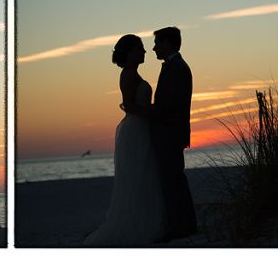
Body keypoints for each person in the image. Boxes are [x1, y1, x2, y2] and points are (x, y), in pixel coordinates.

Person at [83, 34, 166, 246]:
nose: (144, 52)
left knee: (144, 176)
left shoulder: (133, 74)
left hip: (140, 128)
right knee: (138, 176)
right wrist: (155, 112)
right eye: (139, 49)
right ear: (129, 53)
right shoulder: (128, 75)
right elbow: (129, 106)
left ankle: (147, 222)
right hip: (136, 130)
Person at [150, 26, 198, 241]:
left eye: (157, 43)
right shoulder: (173, 66)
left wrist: (143, 111)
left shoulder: (177, 68)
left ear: (167, 43)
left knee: (172, 181)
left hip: (170, 133)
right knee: (173, 180)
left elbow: (170, 106)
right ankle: (184, 225)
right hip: (169, 132)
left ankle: (181, 227)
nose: (153, 48)